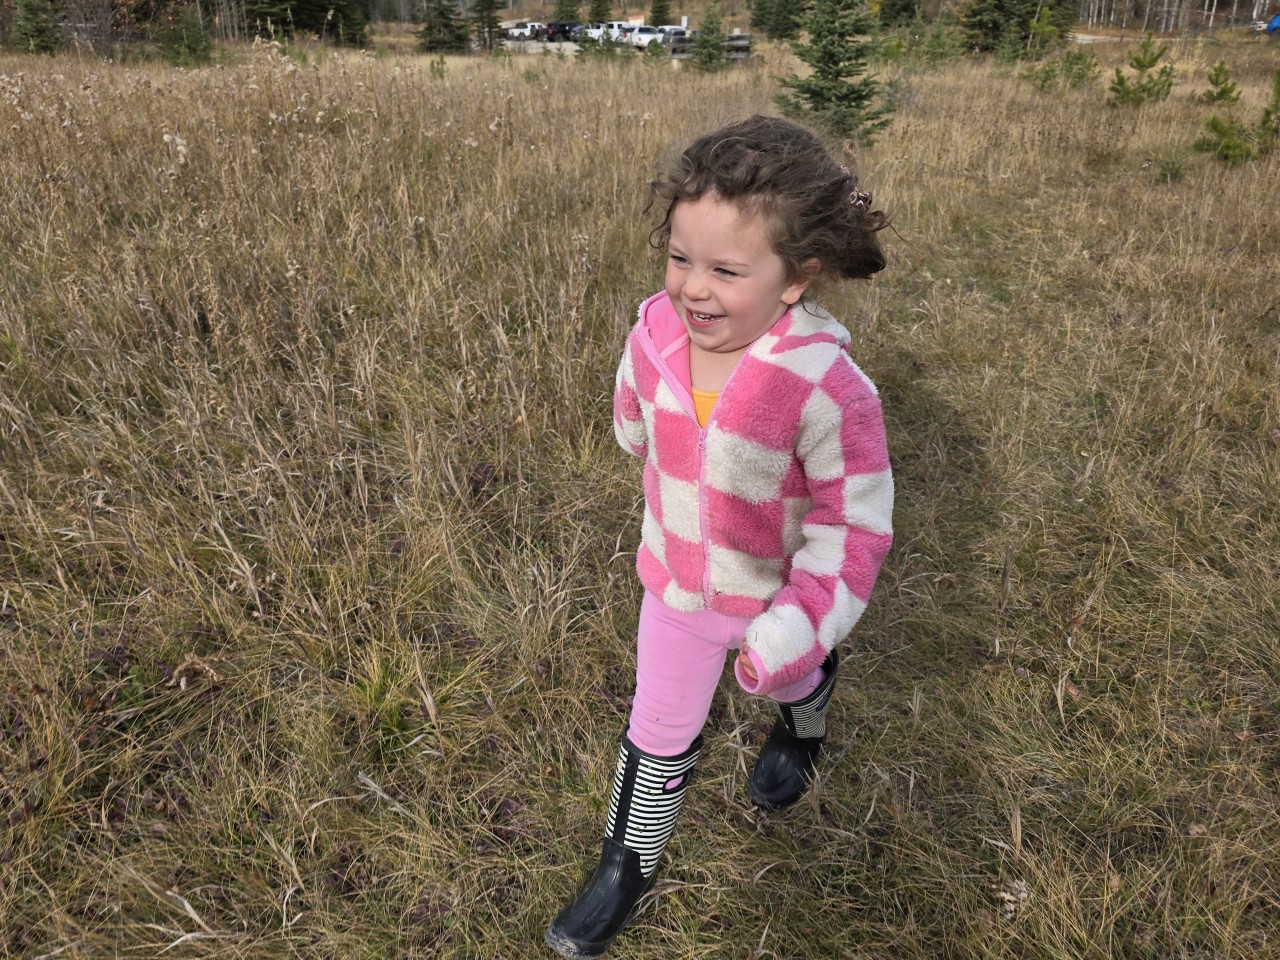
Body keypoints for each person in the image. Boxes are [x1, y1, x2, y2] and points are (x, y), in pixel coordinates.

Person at [545, 114, 895, 959]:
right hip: (675, 586)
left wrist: (802, 621)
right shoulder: (657, 334)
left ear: (795, 278)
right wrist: (635, 412)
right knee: (656, 730)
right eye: (679, 258)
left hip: (778, 600)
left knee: (793, 678)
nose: (693, 288)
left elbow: (854, 526)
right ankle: (627, 862)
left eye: (725, 270)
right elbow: (637, 410)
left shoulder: (828, 390)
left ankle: (803, 726)